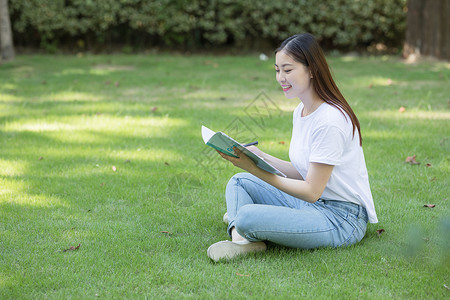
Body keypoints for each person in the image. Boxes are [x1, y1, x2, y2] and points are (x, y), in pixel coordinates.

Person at [207, 33, 378, 262]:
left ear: (312, 70)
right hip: (311, 205)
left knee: (247, 215)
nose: (280, 78)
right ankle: (243, 239)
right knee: (239, 182)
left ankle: (243, 227)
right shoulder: (301, 110)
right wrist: (259, 156)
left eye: (288, 70)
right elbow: (304, 171)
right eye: (277, 70)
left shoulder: (330, 121)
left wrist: (255, 169)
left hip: (340, 218)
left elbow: (311, 191)